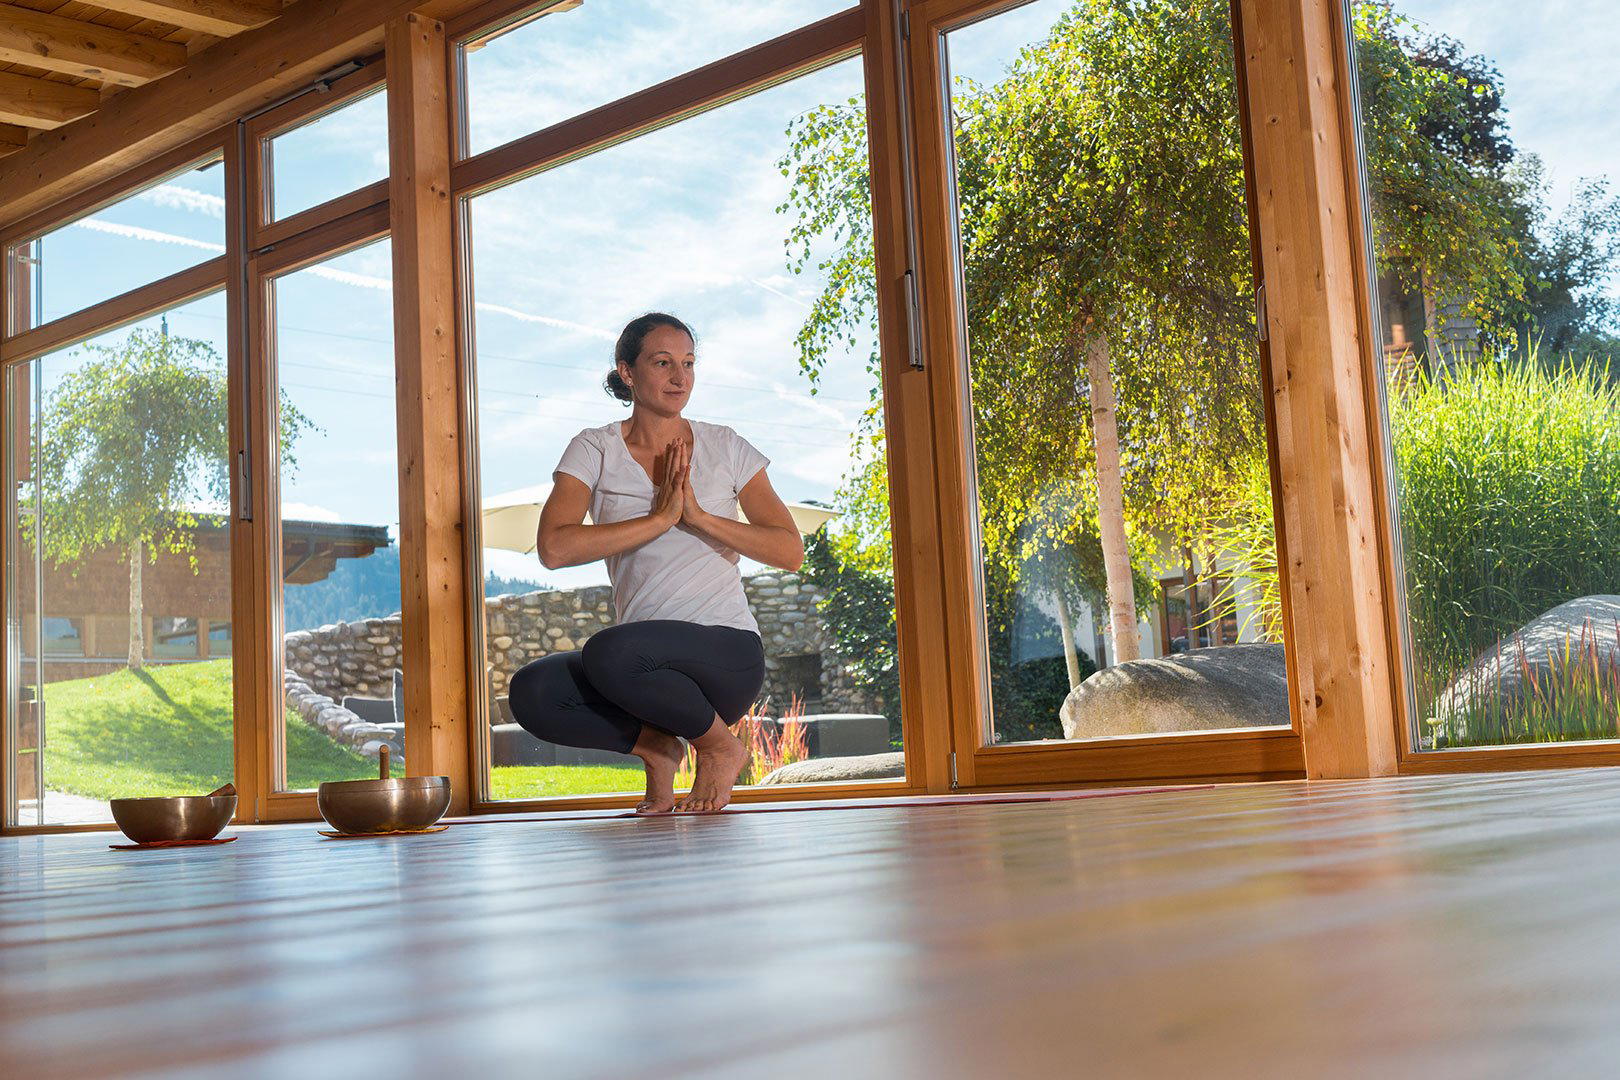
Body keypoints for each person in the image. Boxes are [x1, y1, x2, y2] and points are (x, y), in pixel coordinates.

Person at [507, 312, 805, 814]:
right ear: (627, 372)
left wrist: (698, 517)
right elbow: (554, 548)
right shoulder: (594, 448)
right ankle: (658, 747)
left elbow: (789, 551)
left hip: (724, 654)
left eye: (688, 363)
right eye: (663, 362)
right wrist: (660, 519)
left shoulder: (726, 446)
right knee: (534, 691)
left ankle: (719, 746)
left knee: (610, 653)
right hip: (637, 674)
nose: (679, 377)